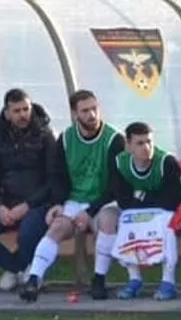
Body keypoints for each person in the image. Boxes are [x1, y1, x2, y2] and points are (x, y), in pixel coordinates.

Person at [24, 90, 125, 301]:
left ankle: (98, 281)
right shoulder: (66, 139)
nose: (92, 115)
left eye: (94, 109)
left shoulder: (114, 140)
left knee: (107, 222)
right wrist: (58, 204)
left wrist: (89, 211)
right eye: (85, 111)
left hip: (105, 202)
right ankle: (33, 280)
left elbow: (116, 186)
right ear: (75, 114)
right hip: (75, 200)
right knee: (57, 226)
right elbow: (58, 176)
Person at [0, 88, 57, 296]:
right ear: (7, 113)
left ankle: (22, 269)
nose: (23, 115)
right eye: (17, 111)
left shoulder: (46, 136)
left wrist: (28, 205)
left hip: (38, 202)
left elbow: (53, 180)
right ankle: (19, 267)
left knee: (28, 234)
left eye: (26, 109)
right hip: (6, 202)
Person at [110, 121, 181, 301]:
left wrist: (142, 197)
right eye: (140, 143)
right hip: (143, 209)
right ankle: (134, 279)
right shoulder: (120, 163)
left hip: (178, 206)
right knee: (125, 219)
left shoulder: (166, 162)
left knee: (167, 224)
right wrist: (145, 200)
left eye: (149, 142)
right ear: (128, 146)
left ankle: (168, 281)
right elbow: (123, 199)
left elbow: (173, 200)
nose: (146, 147)